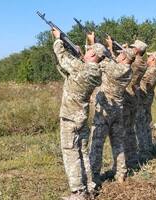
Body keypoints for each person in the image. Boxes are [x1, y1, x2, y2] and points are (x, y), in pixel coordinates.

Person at [51, 27, 107, 200]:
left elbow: (62, 57)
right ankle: (90, 187)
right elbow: (77, 65)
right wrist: (78, 52)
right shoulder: (95, 72)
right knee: (82, 152)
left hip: (70, 116)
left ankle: (78, 192)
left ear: (92, 55)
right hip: (81, 116)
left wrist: (58, 39)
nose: (86, 53)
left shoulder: (81, 69)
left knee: (71, 152)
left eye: (89, 51)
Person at [89, 35, 135, 191]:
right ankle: (121, 173)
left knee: (97, 144)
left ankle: (94, 176)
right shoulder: (128, 71)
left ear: (123, 56)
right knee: (118, 144)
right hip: (118, 111)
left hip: (105, 111)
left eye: (121, 53)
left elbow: (100, 57)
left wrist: (94, 42)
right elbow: (112, 61)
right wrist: (111, 47)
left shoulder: (113, 67)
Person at [122, 40, 148, 169]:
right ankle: (132, 157)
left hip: (127, 96)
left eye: (133, 48)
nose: (131, 49)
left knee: (126, 130)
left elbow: (121, 65)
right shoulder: (142, 63)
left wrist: (122, 51)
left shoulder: (135, 63)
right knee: (130, 129)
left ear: (137, 50)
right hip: (134, 97)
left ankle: (128, 160)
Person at [136, 51, 156, 163]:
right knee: (146, 124)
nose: (147, 58)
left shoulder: (151, 70)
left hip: (142, 100)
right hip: (147, 99)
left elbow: (139, 76)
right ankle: (149, 147)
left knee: (140, 125)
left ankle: (144, 151)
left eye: (149, 56)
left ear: (153, 59)